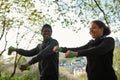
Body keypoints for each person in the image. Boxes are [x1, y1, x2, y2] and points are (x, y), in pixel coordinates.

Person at [53, 20, 117, 80]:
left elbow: (99, 50)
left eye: (94, 28)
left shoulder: (109, 40)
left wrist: (76, 54)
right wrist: (60, 49)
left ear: (102, 29)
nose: (91, 30)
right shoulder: (91, 43)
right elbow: (78, 49)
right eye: (90, 29)